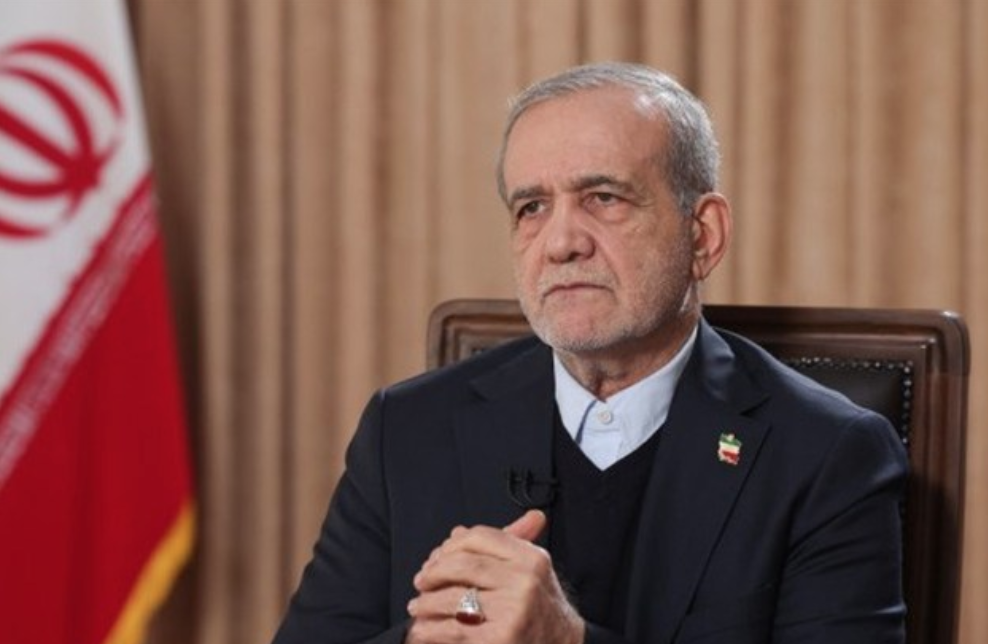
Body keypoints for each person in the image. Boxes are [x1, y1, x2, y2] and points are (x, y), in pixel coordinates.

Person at [271, 62, 907, 644]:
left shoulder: (825, 455)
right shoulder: (408, 430)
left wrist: (565, 641)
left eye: (604, 198)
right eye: (532, 207)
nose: (561, 243)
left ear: (703, 236)